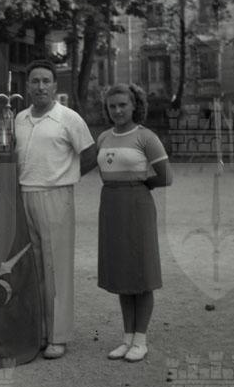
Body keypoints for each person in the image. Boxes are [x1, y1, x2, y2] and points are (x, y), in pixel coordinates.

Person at [15, 60, 96, 359]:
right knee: (33, 267)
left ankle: (58, 336)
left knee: (56, 269)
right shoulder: (19, 118)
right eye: (35, 81)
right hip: (26, 194)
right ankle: (39, 331)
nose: (40, 86)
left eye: (45, 81)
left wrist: (66, 177)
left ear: (54, 86)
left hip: (56, 196)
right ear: (27, 86)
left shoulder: (68, 118)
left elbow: (91, 154)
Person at [97, 84, 172, 362]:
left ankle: (140, 340)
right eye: (112, 106)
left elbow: (166, 176)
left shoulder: (146, 137)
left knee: (142, 272)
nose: (117, 110)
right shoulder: (103, 137)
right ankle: (127, 338)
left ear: (134, 106)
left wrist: (139, 184)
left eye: (122, 105)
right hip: (111, 206)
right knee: (122, 274)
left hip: (137, 206)